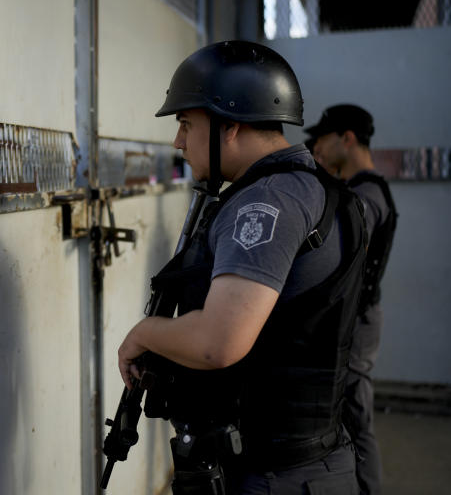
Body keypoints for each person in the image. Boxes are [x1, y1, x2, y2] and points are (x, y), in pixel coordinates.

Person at [116, 41, 368, 494]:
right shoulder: (318, 190)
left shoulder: (265, 203)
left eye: (186, 124)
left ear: (229, 126)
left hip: (274, 476)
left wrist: (144, 332)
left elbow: (220, 342)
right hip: (314, 461)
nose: (179, 141)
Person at [305, 104, 398, 495]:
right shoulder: (360, 188)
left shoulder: (367, 193)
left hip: (357, 323)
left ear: (347, 139)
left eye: (324, 139)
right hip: (357, 317)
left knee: (357, 419)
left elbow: (351, 229)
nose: (318, 149)